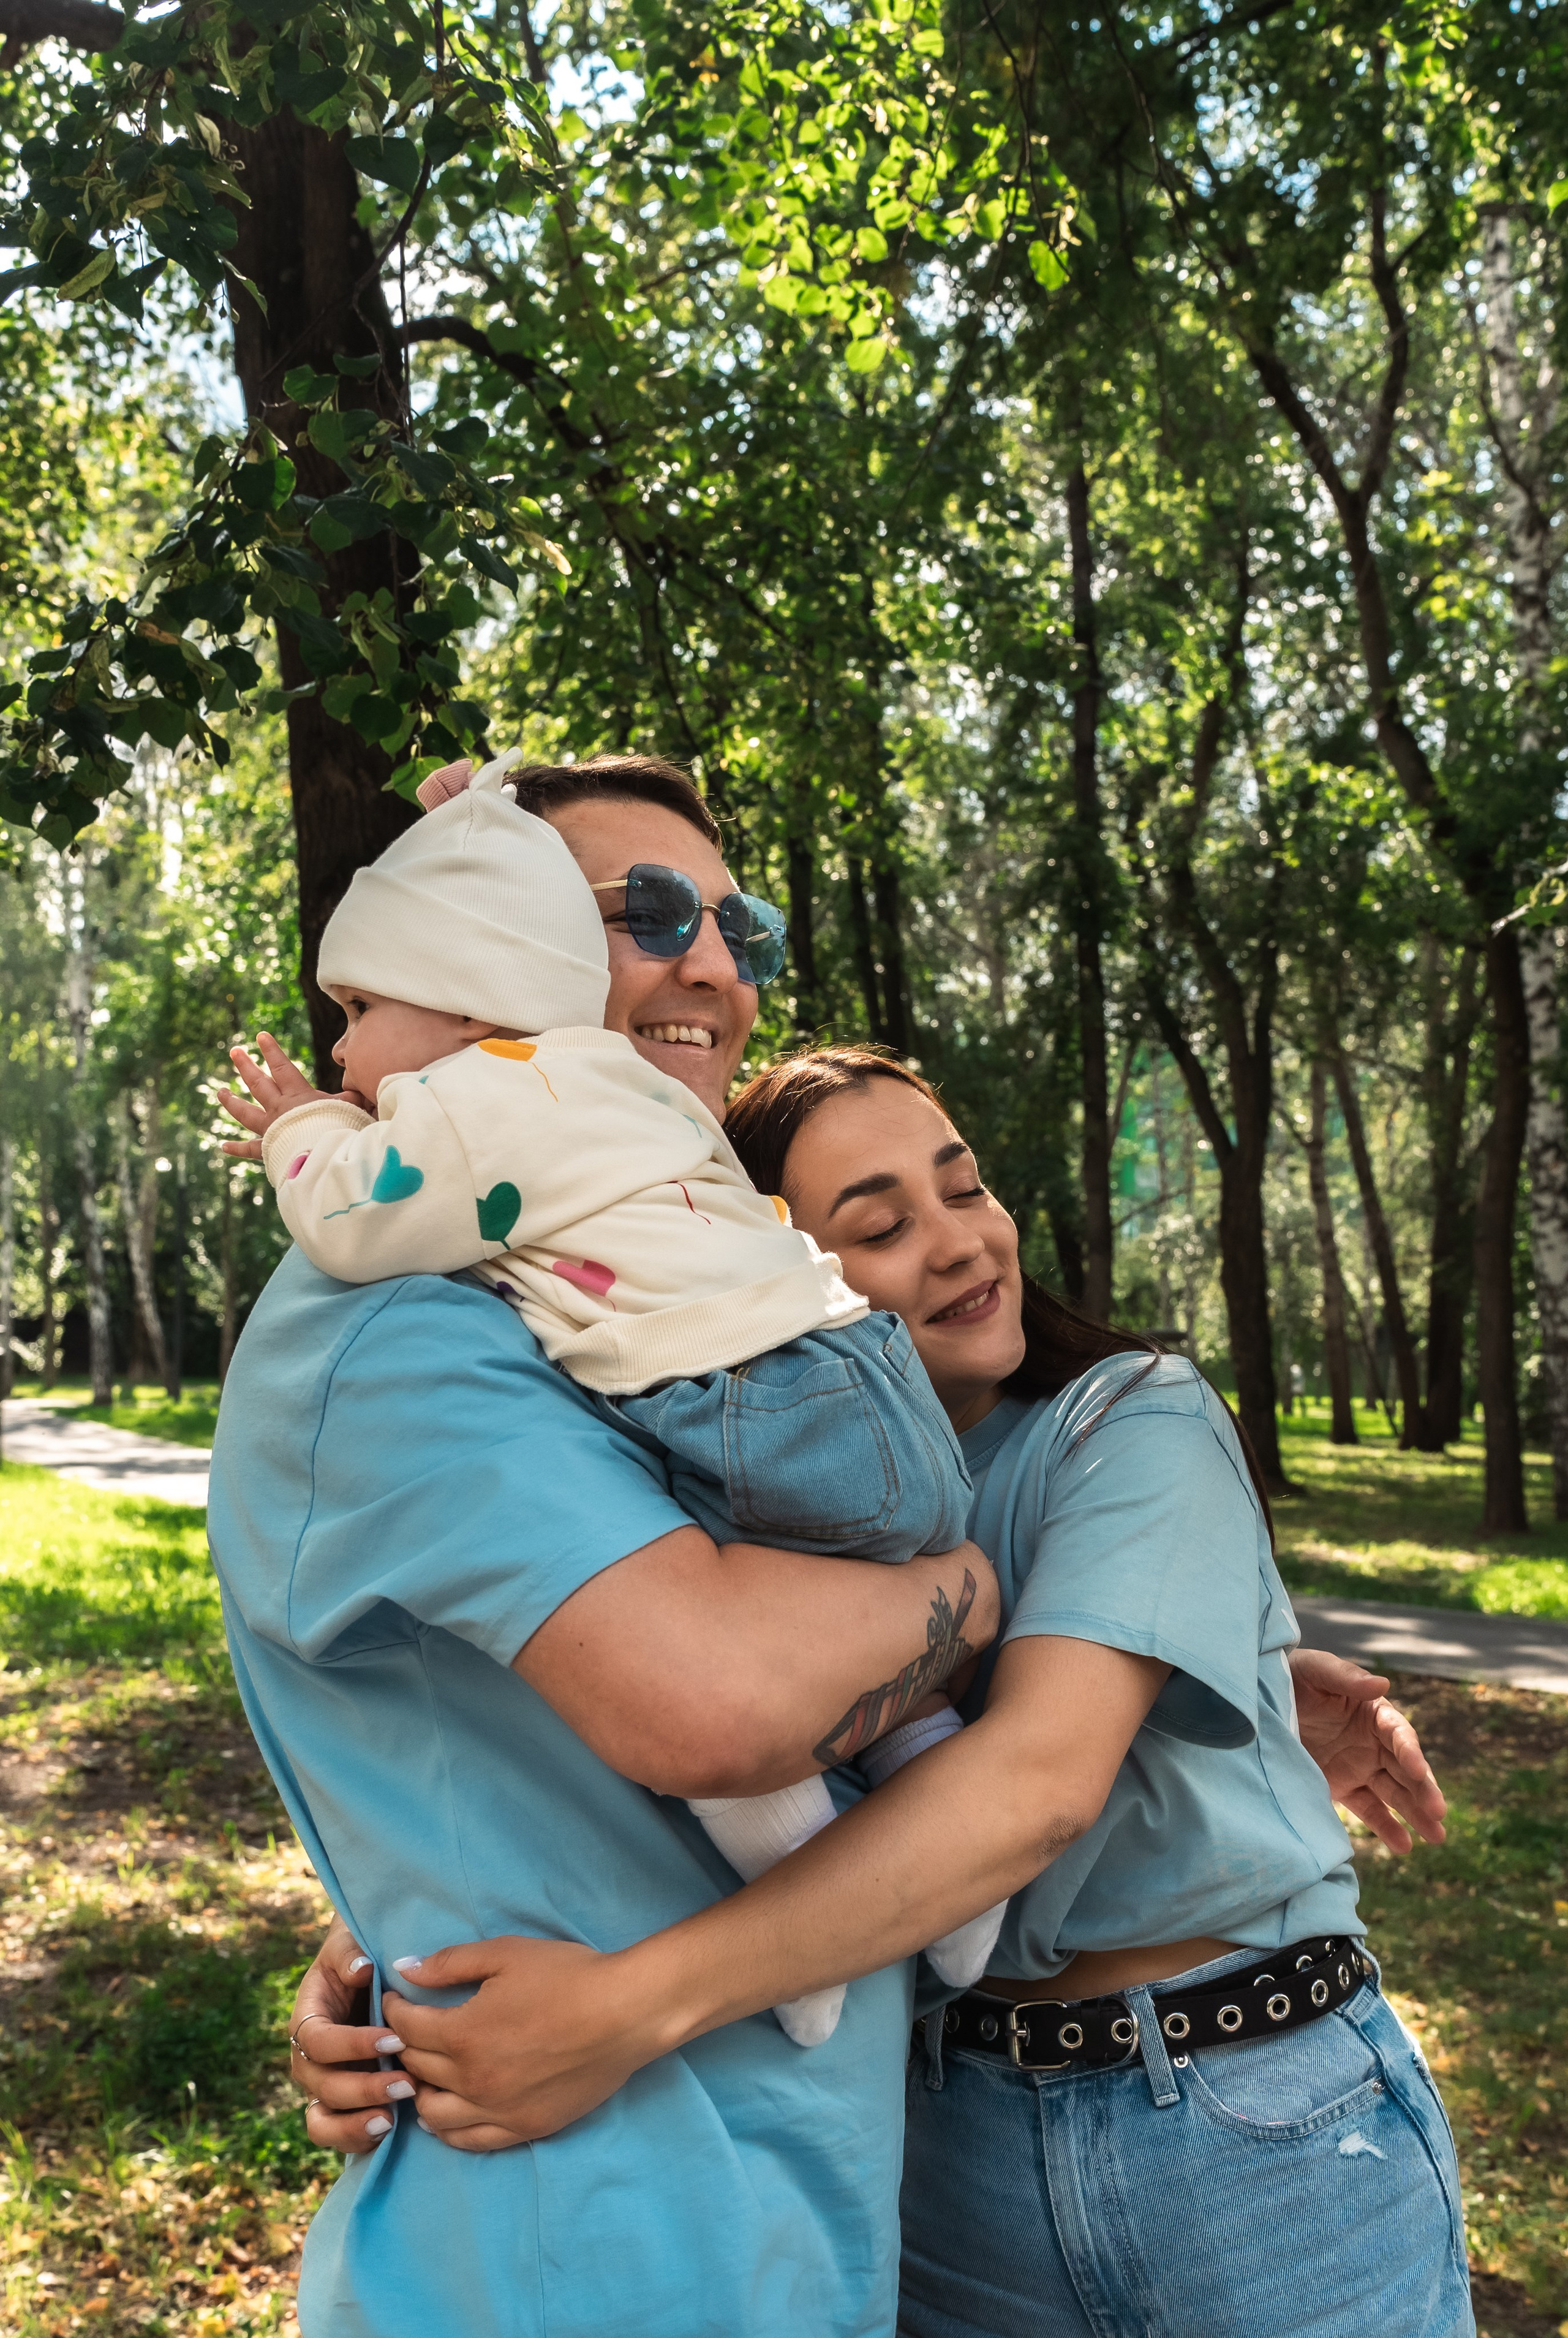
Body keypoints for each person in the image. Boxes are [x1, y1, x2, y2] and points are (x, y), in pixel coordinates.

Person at [286, 1035, 1461, 2336]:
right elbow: (627, 1765)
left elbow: (1032, 1785)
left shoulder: (1129, 1417)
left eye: (963, 1190)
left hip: (1243, 2119)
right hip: (946, 2145)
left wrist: (629, 2008)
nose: (958, 1242)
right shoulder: (731, 1538)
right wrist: (376, 1961)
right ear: (760, 1263)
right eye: (882, 1223)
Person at [207, 753, 1004, 2338]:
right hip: (592, 2250)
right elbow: (712, 1702)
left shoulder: (615, 1294)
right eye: (643, 915)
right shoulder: (401, 1322)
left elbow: (511, 1756)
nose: (712, 963)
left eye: (737, 925)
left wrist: (375, 1934)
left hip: (762, 2227)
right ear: (495, 958)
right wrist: (963, 1590)